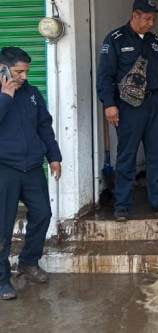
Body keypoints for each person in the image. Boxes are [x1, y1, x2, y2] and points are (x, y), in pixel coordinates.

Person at [97, 0, 158, 221]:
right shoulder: (115, 39)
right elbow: (105, 75)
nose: (151, 23)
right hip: (128, 106)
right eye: (147, 18)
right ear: (135, 15)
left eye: (153, 19)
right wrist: (109, 104)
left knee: (157, 155)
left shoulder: (154, 41)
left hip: (155, 104)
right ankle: (122, 205)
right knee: (126, 156)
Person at [0, 47, 62, 300]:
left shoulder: (32, 94)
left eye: (26, 71)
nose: (24, 76)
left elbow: (44, 127)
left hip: (32, 167)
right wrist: (5, 95)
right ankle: (2, 279)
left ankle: (28, 261)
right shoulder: (5, 94)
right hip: (5, 168)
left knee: (43, 214)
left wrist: (54, 156)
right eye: (18, 72)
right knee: (2, 226)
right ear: (3, 70)